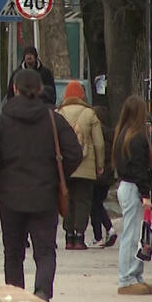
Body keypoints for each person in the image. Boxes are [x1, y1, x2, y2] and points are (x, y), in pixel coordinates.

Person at [0, 69, 82, 302]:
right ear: (40, 89)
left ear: (14, 89)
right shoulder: (53, 120)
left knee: (13, 253)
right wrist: (57, 176)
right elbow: (74, 153)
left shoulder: (2, 121)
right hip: (45, 196)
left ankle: (15, 298)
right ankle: (42, 293)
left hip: (10, 197)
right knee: (45, 251)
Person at [113, 96, 152, 295]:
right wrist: (145, 194)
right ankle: (127, 278)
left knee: (136, 233)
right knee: (132, 235)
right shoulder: (137, 138)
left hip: (126, 185)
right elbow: (140, 168)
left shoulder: (122, 134)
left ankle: (135, 275)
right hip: (134, 189)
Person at [56, 80, 105, 250]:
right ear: (82, 95)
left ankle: (68, 236)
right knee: (83, 201)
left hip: (65, 166)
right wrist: (100, 164)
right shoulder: (90, 114)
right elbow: (99, 143)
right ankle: (79, 237)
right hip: (86, 166)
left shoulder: (58, 113)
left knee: (67, 199)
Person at [90, 104, 117, 247]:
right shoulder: (111, 134)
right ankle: (106, 230)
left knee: (94, 204)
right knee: (97, 203)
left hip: (97, 173)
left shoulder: (96, 133)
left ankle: (101, 233)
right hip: (108, 175)